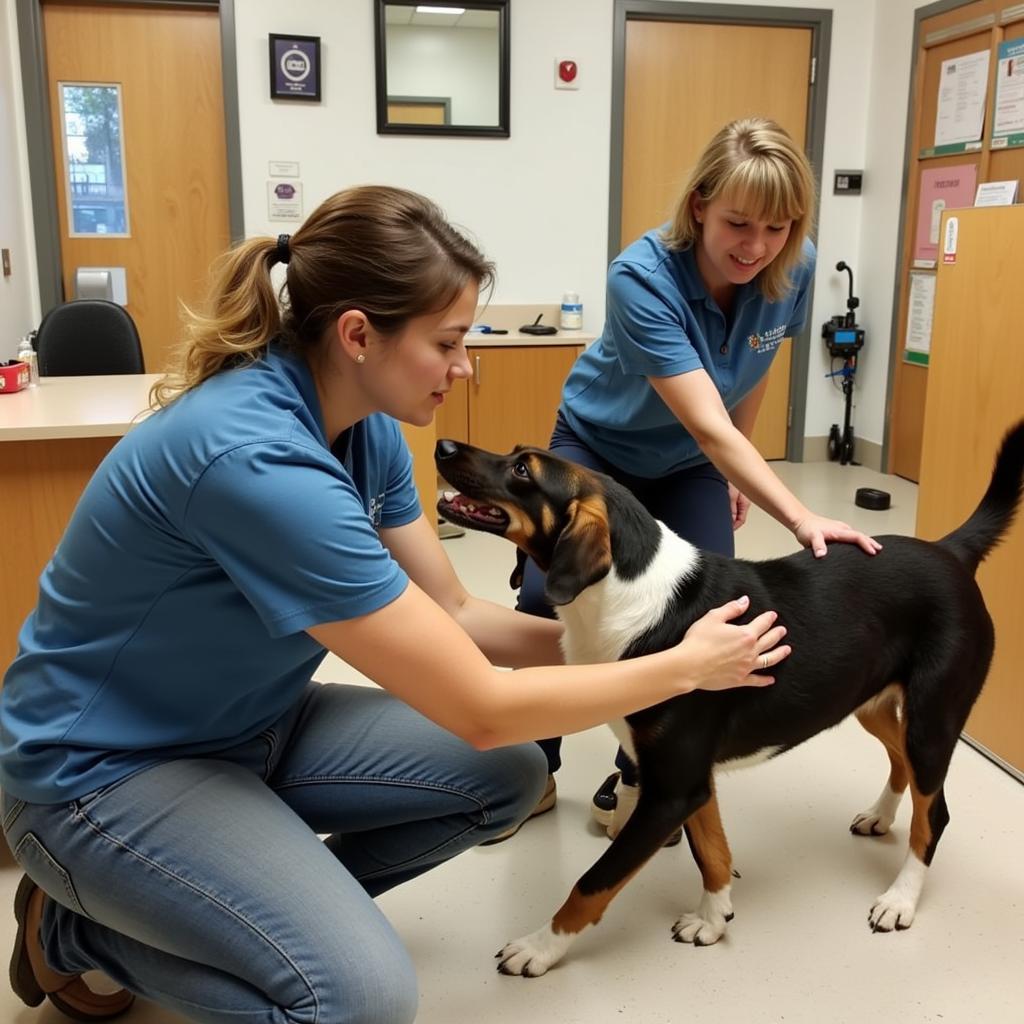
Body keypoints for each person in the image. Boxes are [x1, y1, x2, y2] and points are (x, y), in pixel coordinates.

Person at [0, 186, 791, 1024]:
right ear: (357, 335)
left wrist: (633, 641)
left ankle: (226, 914)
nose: (465, 367)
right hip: (101, 772)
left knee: (511, 780)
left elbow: (453, 608)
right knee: (357, 1003)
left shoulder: (362, 419)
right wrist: (679, 669)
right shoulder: (258, 462)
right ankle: (80, 937)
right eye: (448, 343)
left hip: (252, 723)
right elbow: (482, 707)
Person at [513, 117, 882, 843]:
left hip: (688, 460)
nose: (755, 246)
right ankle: (532, 768)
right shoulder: (641, 276)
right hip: (601, 446)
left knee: (711, 610)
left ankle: (639, 776)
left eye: (777, 228)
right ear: (700, 205)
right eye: (739, 223)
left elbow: (754, 366)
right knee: (541, 600)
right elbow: (706, 424)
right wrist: (800, 516)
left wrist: (737, 462)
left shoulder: (794, 266)